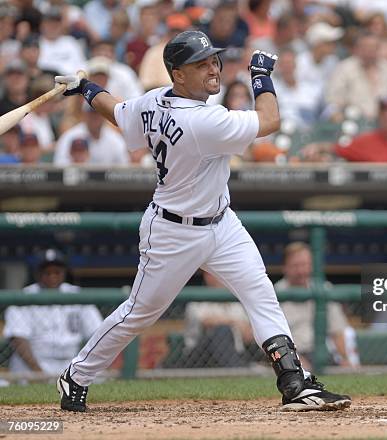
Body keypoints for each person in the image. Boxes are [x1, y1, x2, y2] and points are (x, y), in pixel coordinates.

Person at [53, 30, 350, 413]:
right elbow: (271, 120)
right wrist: (260, 75)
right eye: (201, 64)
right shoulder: (205, 121)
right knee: (139, 312)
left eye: (213, 60)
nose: (213, 69)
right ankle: (76, 373)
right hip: (172, 231)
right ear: (178, 74)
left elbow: (119, 111)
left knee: (260, 292)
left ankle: (295, 382)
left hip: (222, 222)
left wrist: (86, 88)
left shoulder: (155, 100)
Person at [3, 249, 103, 377]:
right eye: (47, 272)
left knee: (103, 379)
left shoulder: (77, 295)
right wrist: (39, 374)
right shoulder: (24, 297)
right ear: (38, 273)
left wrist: (84, 366)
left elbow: (97, 334)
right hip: (33, 363)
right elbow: (18, 339)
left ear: (64, 272)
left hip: (72, 362)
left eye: (56, 272)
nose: (52, 276)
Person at [275, 242, 358, 369]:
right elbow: (272, 340)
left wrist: (345, 360)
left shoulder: (323, 288)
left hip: (320, 354)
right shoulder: (275, 293)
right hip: (287, 356)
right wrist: (295, 359)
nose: (301, 271)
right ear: (285, 267)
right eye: (295, 266)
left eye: (305, 265)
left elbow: (337, 331)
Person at [53, 104, 129, 166]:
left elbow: (123, 169)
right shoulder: (70, 136)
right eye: (91, 113)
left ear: (104, 116)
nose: (95, 117)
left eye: (98, 114)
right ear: (84, 115)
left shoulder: (115, 139)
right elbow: (60, 165)